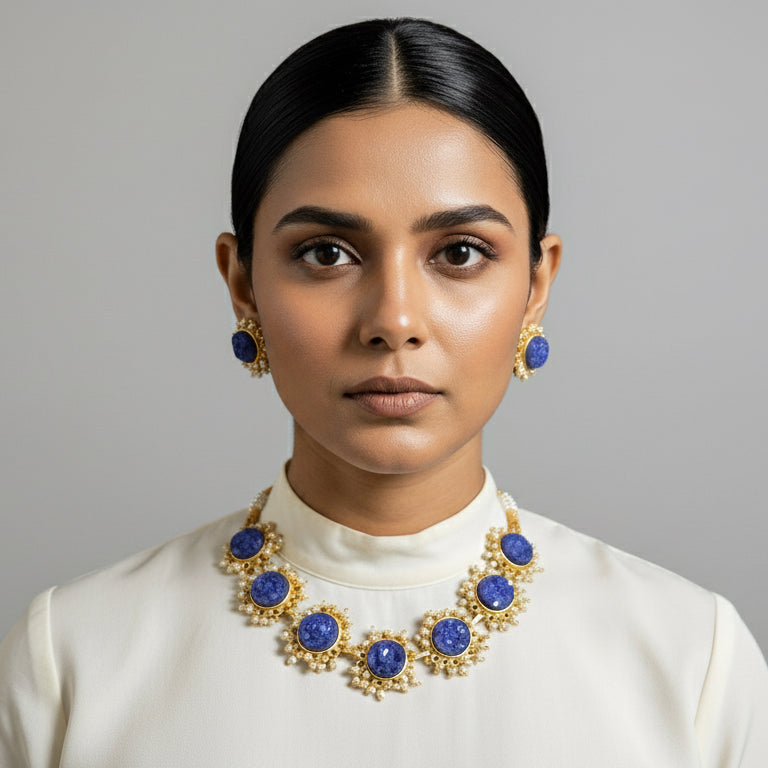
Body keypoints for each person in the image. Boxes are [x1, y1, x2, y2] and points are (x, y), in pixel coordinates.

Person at [1, 16, 766, 767]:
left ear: (537, 285)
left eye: (461, 252)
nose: (393, 321)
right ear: (242, 284)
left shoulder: (692, 659)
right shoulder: (77, 656)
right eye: (327, 253)